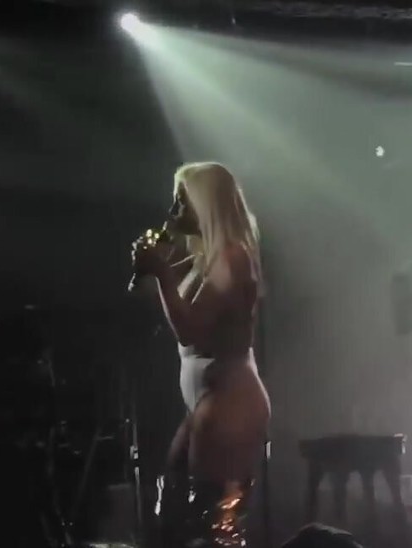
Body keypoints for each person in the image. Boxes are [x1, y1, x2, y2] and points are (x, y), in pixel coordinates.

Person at [133, 162, 270, 547]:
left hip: (230, 402)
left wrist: (162, 273)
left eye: (182, 200)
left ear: (204, 203)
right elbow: (169, 306)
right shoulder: (205, 258)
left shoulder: (232, 258)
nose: (174, 209)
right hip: (209, 403)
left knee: (213, 524)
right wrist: (151, 268)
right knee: (175, 509)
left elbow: (190, 330)